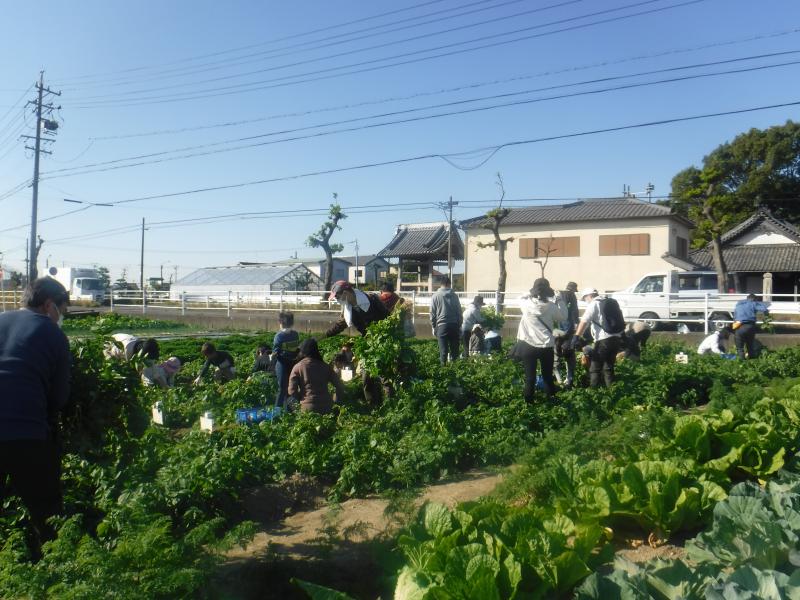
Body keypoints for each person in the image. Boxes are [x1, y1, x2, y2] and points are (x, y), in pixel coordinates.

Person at [0, 277, 71, 556]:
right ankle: (53, 568)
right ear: (49, 305)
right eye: (62, 311)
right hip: (24, 434)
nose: (60, 317)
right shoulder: (53, 334)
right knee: (46, 509)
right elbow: (58, 398)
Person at [515, 278, 567, 399]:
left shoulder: (526, 304)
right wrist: (559, 299)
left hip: (528, 345)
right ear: (547, 292)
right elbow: (564, 317)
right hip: (546, 346)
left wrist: (530, 292)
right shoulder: (551, 307)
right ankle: (551, 401)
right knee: (548, 376)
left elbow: (520, 297)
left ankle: (529, 403)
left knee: (530, 378)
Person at [573, 287, 624, 388]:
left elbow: (584, 321)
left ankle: (594, 392)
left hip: (603, 340)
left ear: (590, 296)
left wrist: (576, 336)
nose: (585, 301)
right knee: (608, 367)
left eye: (585, 298)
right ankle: (612, 391)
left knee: (595, 368)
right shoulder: (608, 302)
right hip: (616, 338)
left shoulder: (594, 304)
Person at [287, 338, 345, 414]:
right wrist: (335, 401)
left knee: (289, 401)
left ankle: (297, 417)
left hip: (307, 408)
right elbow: (340, 386)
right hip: (327, 407)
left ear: (303, 351)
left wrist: (301, 398)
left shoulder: (297, 367)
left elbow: (292, 391)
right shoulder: (325, 366)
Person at [325, 280, 390, 337]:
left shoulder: (372, 299)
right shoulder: (347, 310)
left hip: (383, 334)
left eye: (337, 297)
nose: (336, 300)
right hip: (368, 337)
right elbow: (341, 325)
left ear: (345, 293)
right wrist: (326, 335)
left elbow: (387, 315)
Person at [430, 277, 463, 364]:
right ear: (449, 284)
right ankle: (457, 371)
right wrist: (459, 325)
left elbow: (432, 314)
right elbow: (459, 312)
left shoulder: (435, 296)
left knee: (443, 352)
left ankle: (443, 372)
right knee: (455, 352)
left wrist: (434, 326)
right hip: (454, 325)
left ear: (441, 284)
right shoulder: (455, 296)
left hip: (442, 326)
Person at [553, 282, 580, 388]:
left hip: (556, 330)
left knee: (556, 355)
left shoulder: (557, 295)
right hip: (568, 330)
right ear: (573, 289)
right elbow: (574, 312)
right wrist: (576, 324)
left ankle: (559, 380)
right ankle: (569, 380)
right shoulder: (572, 296)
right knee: (569, 356)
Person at [272, 312, 300, 407]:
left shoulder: (279, 336)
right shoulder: (295, 334)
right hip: (292, 364)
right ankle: (289, 409)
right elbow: (296, 350)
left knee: (282, 389)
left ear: (281, 323)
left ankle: (277, 410)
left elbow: (275, 353)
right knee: (290, 388)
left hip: (282, 364)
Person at [733, 293, 769, 360]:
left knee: (740, 348)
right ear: (754, 299)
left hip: (738, 326)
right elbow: (764, 309)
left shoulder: (738, 304)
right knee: (750, 346)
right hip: (750, 326)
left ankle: (741, 363)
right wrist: (766, 316)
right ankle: (752, 361)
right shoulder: (753, 303)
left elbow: (734, 317)